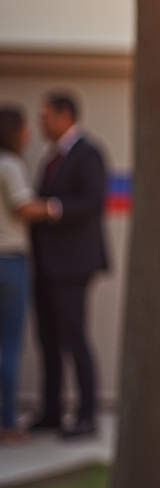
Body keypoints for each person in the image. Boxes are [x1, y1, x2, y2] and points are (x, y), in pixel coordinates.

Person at [28, 90, 109, 439]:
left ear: (65, 116)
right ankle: (51, 411)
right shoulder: (52, 158)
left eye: (46, 116)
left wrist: (49, 209)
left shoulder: (88, 153)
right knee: (48, 340)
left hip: (73, 266)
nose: (41, 122)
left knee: (74, 337)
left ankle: (87, 415)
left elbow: (92, 201)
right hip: (46, 265)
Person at [0, 106, 48, 442]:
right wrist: (56, 207)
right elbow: (23, 207)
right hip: (9, 262)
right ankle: (7, 424)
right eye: (25, 127)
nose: (29, 132)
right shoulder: (10, 165)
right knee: (8, 345)